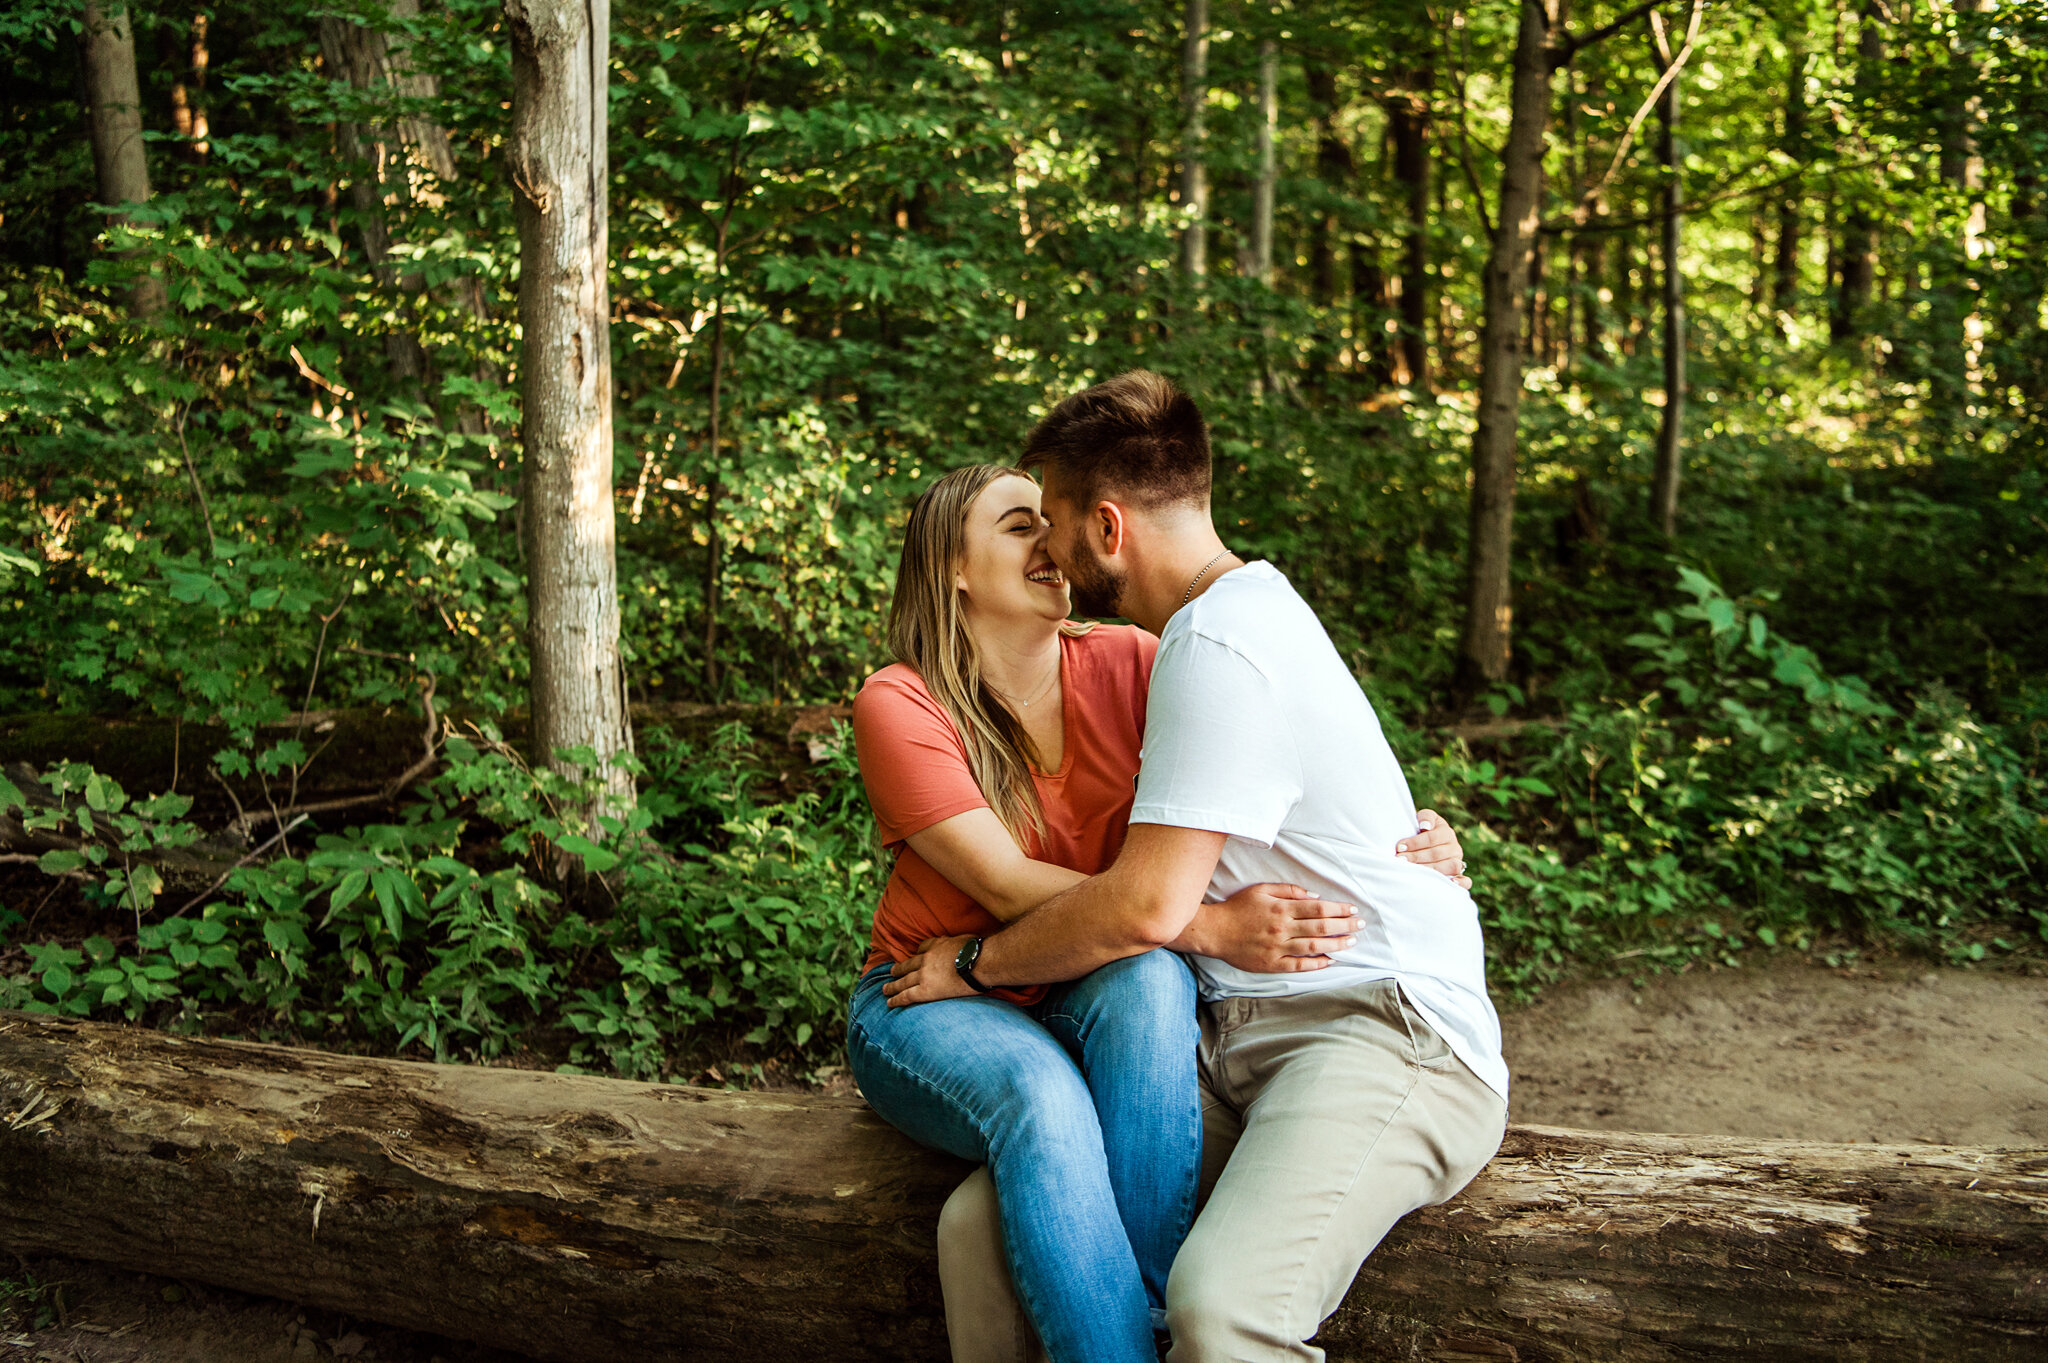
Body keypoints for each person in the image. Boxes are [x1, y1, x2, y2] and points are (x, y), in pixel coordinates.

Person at [885, 371, 1509, 1363]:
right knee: (980, 1231)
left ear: (1104, 526)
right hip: (1232, 1040)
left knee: (1222, 1311)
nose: (1044, 549)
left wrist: (973, 965)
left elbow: (1141, 908)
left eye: (1046, 521)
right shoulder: (1201, 632)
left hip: (1374, 1029)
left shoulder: (1217, 642)